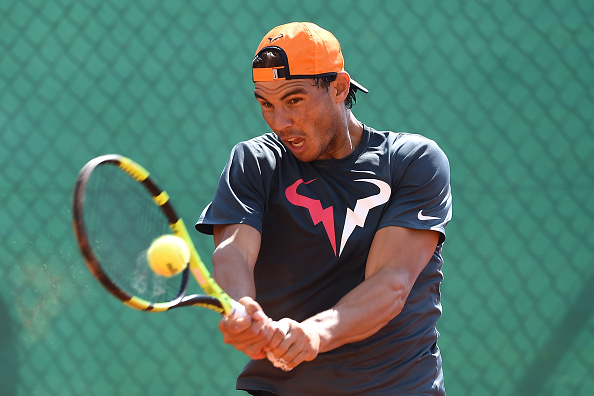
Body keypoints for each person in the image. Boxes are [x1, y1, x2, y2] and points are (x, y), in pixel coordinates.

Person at [196, 21, 452, 396]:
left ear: (339, 87)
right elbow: (233, 251)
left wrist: (314, 333)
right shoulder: (255, 161)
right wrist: (241, 307)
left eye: (294, 100)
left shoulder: (412, 162)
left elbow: (391, 282)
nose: (280, 122)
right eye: (266, 103)